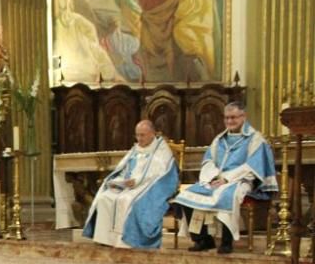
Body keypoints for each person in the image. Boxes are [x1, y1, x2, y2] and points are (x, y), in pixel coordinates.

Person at [174, 102, 278, 254]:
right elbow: (208, 160)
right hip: (216, 179)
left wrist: (227, 179)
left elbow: (252, 166)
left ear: (243, 117)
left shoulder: (255, 139)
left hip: (242, 180)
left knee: (227, 196)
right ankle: (203, 239)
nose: (229, 122)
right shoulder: (219, 139)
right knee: (185, 196)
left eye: (233, 118)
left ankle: (226, 242)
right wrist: (213, 176)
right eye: (227, 118)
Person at [83, 120, 178, 248]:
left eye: (142, 135)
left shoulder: (161, 150)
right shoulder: (136, 149)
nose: (139, 139)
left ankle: (125, 242)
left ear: (152, 134)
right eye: (137, 135)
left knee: (127, 201)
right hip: (129, 186)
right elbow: (124, 168)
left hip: (149, 187)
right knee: (104, 198)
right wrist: (120, 181)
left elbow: (161, 173)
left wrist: (137, 181)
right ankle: (105, 239)